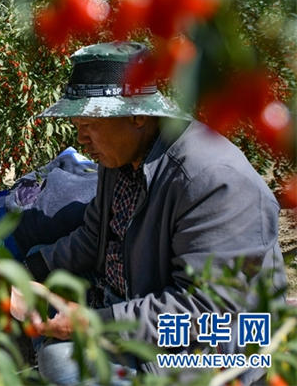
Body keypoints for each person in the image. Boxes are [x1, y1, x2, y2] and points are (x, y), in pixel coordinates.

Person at [17, 42, 286, 385]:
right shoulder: (122, 159)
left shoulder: (212, 181)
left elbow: (205, 309)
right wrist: (26, 271)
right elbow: (94, 236)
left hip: (214, 345)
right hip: (136, 303)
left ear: (138, 116)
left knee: (60, 360)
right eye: (76, 124)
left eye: (89, 124)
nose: (81, 139)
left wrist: (97, 323)